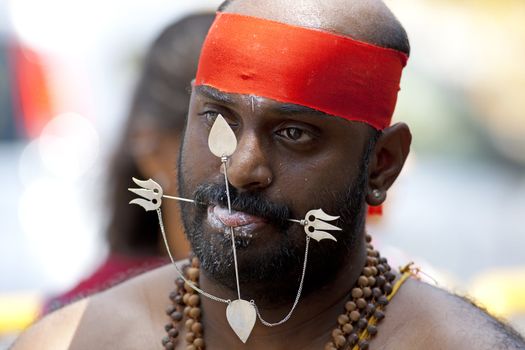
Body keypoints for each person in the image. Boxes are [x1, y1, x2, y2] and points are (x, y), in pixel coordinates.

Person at [13, 0, 525, 349]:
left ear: (382, 164)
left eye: (294, 133)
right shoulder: (80, 339)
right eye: (217, 119)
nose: (240, 168)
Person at [42, 13, 215, 313]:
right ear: (152, 151)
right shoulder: (78, 321)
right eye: (222, 133)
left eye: (288, 134)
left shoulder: (302, 311)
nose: (250, 167)